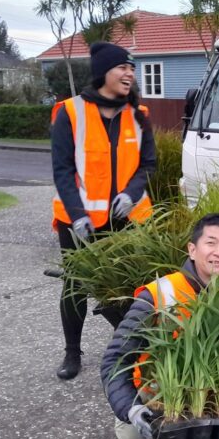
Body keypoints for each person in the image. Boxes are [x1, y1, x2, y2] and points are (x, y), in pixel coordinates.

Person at [100, 213, 219, 439]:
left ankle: (213, 436)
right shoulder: (161, 292)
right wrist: (129, 408)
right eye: (210, 243)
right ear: (192, 249)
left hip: (209, 390)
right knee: (134, 430)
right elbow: (114, 360)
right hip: (158, 392)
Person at [51, 41, 156, 381]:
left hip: (125, 218)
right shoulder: (69, 111)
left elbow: (147, 165)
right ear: (102, 74)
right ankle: (72, 353)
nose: (130, 73)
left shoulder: (138, 114)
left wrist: (131, 193)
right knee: (75, 287)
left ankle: (129, 348)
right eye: (122, 67)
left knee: (126, 286)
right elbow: (62, 169)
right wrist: (77, 213)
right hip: (79, 220)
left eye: (131, 68)